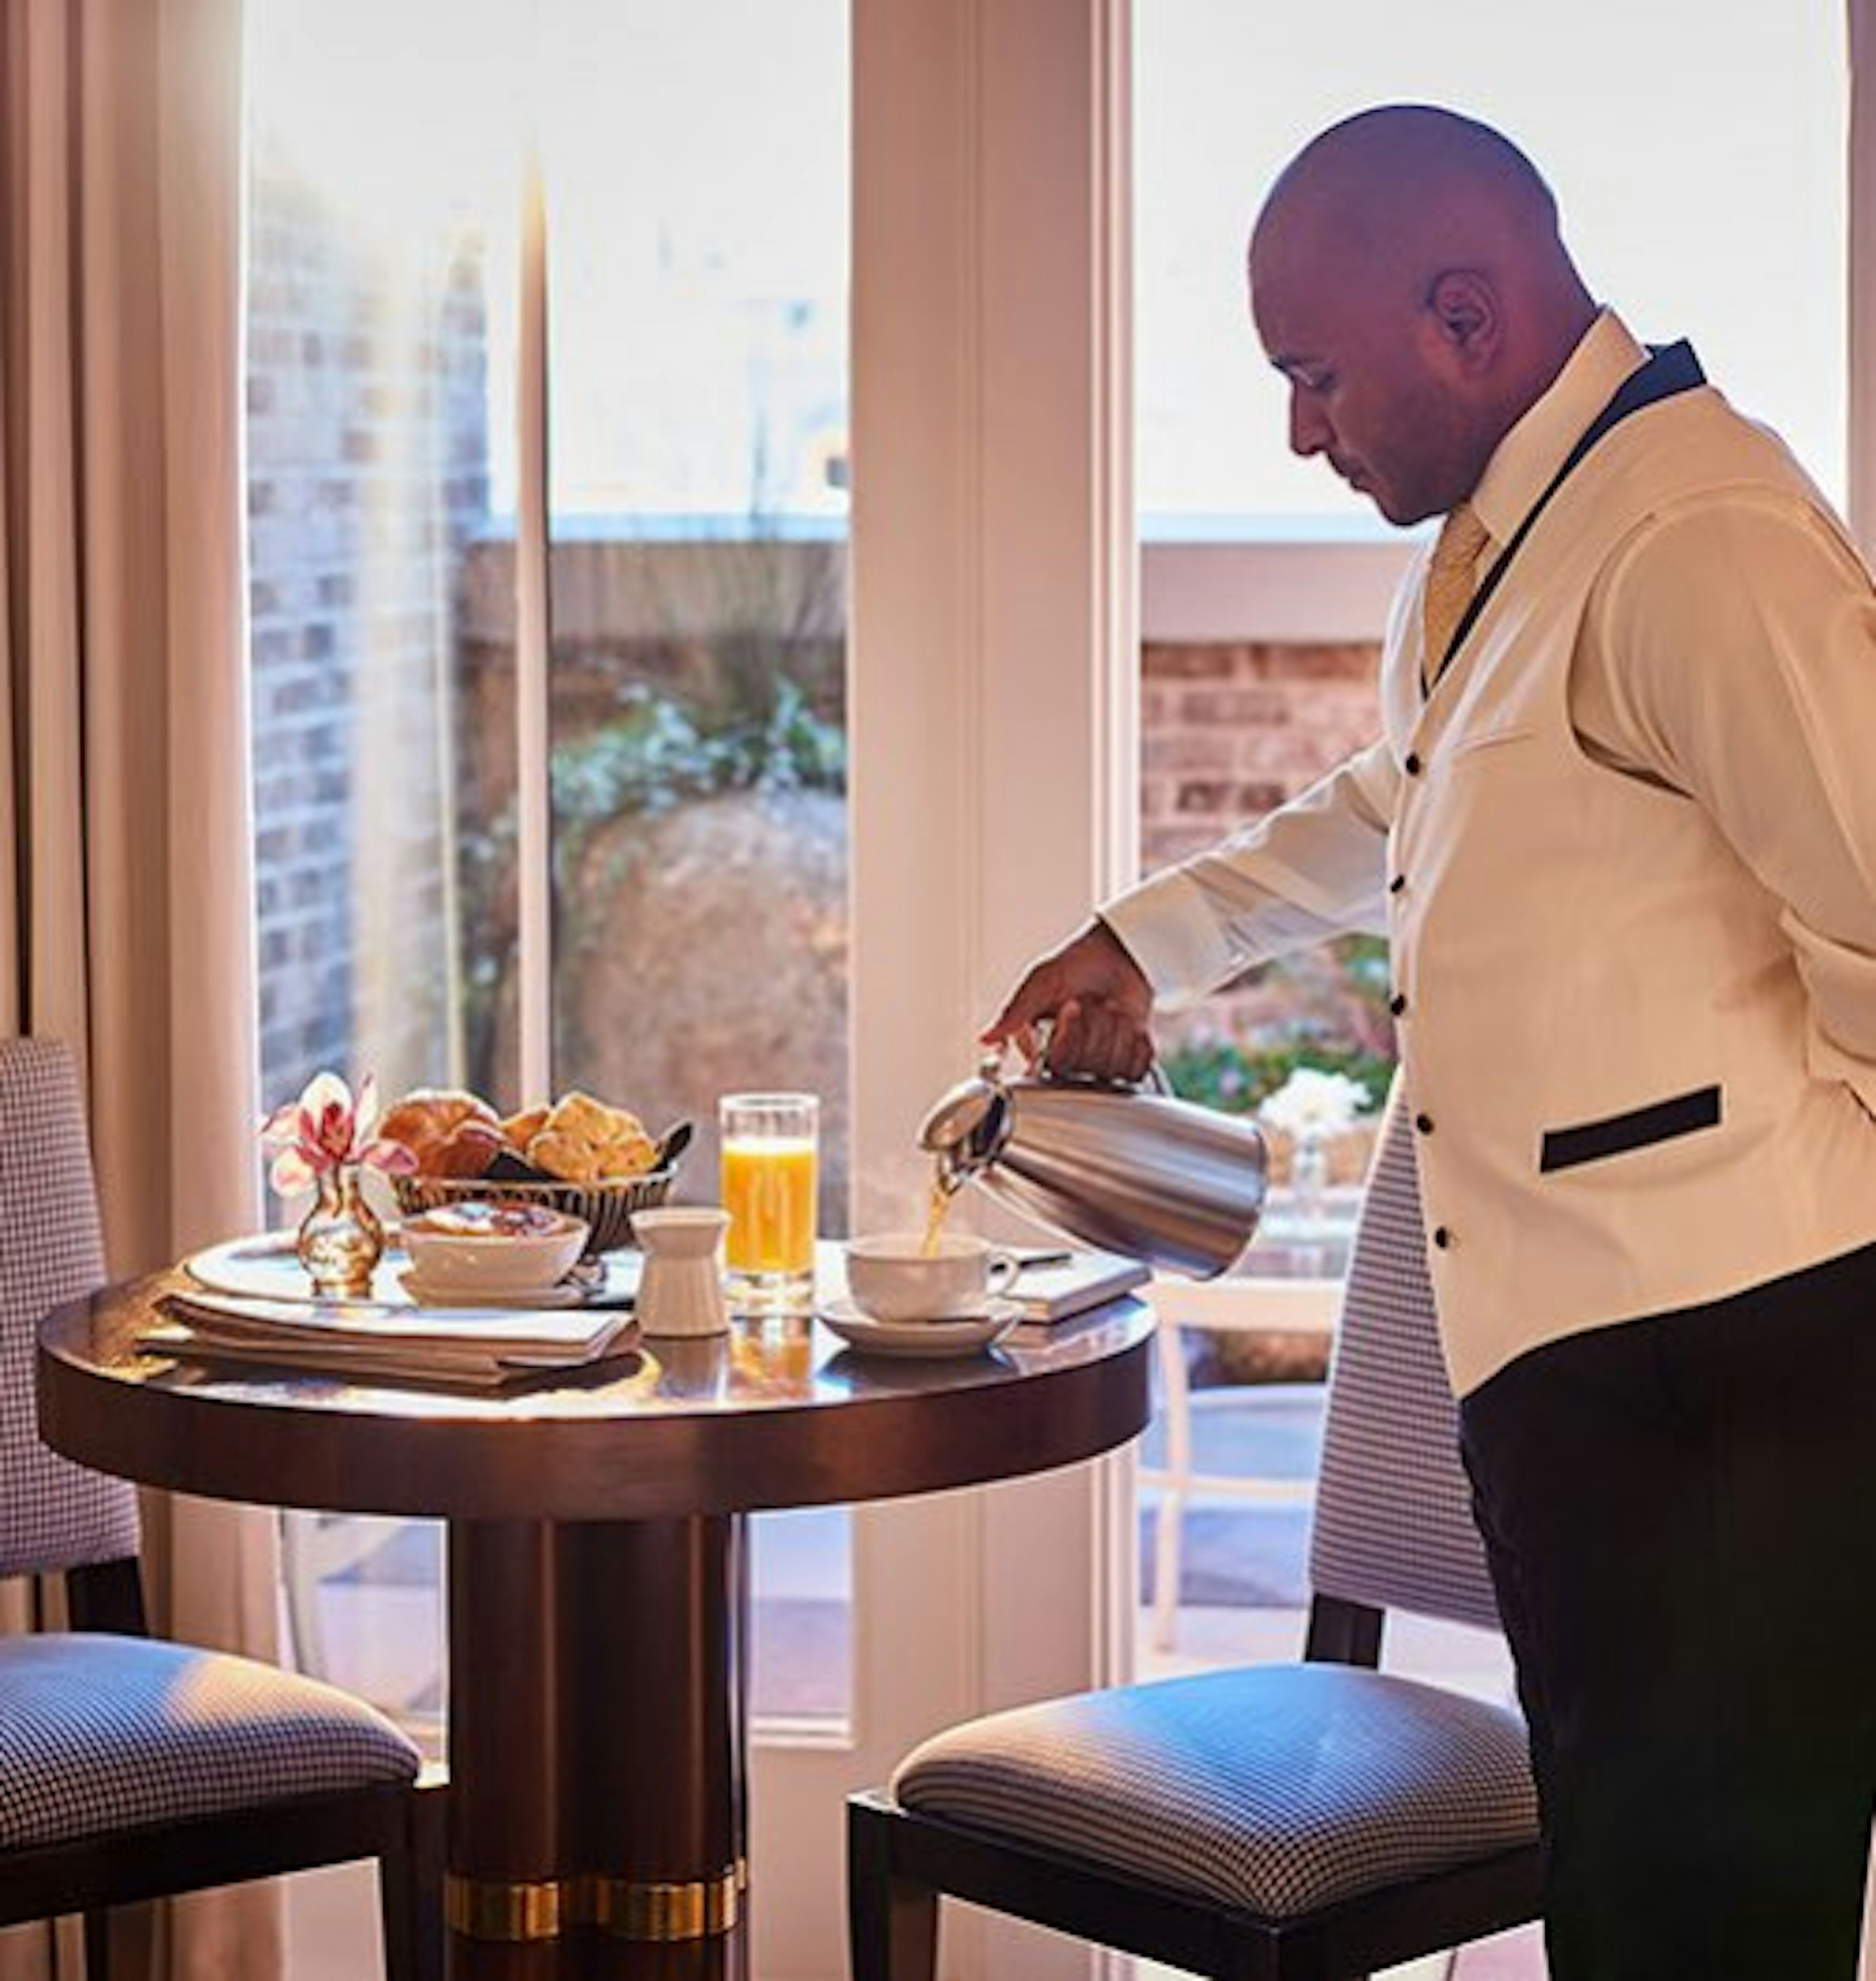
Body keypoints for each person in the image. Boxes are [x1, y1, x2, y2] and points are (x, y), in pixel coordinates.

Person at [986, 104, 1876, 1980]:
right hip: (1590, 1389)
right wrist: (1146, 938)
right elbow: (1389, 802)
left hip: (1743, 1388)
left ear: (1465, 316)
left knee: (1708, 1943)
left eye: (1315, 374)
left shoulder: (1698, 536)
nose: (1302, 428)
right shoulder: (1499, 547)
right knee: (1634, 1925)